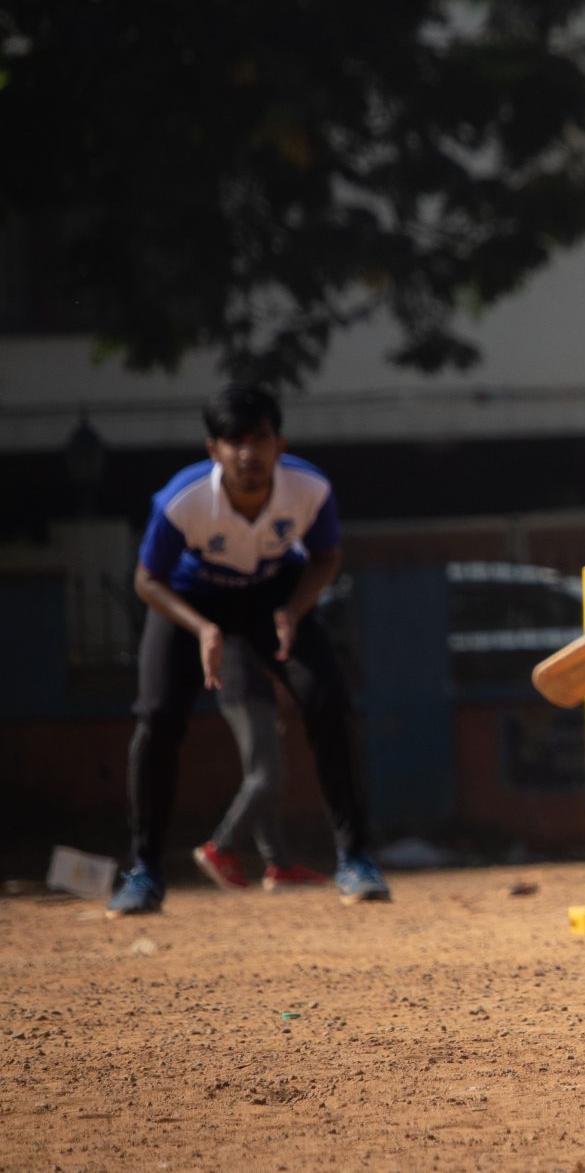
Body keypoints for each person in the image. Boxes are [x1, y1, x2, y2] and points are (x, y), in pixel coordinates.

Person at [112, 385, 386, 914]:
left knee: (329, 701)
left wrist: (294, 609)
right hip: (193, 599)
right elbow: (148, 580)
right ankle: (144, 871)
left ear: (279, 443)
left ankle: (356, 859)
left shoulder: (308, 489)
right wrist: (203, 629)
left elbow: (327, 557)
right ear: (212, 449)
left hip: (273, 594)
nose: (248, 453)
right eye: (233, 440)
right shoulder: (182, 501)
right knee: (156, 719)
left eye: (259, 438)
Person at [188, 642, 331, 891]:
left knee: (262, 778)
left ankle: (279, 864)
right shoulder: (249, 611)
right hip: (246, 686)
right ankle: (220, 847)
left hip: (246, 687)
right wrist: (279, 681)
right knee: (266, 777)